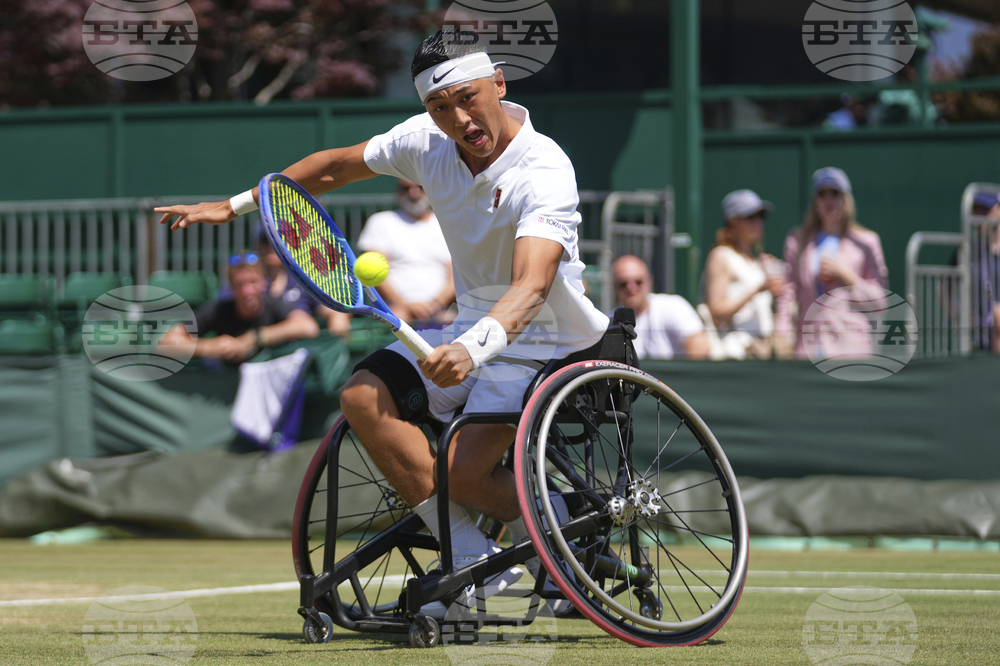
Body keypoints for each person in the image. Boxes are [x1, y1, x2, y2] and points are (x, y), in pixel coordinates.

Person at [154, 30, 609, 613]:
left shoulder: (545, 169)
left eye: (467, 98)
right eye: (439, 107)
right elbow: (330, 168)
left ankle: (564, 523)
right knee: (362, 398)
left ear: (499, 84)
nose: (458, 119)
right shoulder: (424, 142)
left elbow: (532, 285)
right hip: (469, 325)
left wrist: (472, 350)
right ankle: (468, 554)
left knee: (463, 475)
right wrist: (236, 204)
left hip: (547, 342)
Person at [775, 167, 889, 359]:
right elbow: (788, 292)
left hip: (850, 349)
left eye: (834, 193)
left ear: (845, 199)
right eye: (822, 194)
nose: (828, 200)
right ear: (815, 201)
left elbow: (880, 301)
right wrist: (782, 334)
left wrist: (847, 276)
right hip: (808, 348)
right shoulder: (798, 240)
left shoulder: (866, 242)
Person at [161, 252, 320, 365]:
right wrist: (209, 347)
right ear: (230, 287)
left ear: (264, 282)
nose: (247, 291)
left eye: (253, 282)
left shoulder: (274, 305)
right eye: (239, 284)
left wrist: (254, 339)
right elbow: (166, 343)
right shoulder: (219, 310)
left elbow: (307, 326)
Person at [356, 178, 455, 325]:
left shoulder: (448, 225)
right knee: (398, 317)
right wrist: (404, 305)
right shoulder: (380, 221)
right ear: (398, 192)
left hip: (440, 310)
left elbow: (454, 278)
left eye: (420, 187)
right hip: (394, 308)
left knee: (452, 320)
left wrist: (434, 305)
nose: (413, 193)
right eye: (405, 188)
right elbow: (376, 276)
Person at [700, 190, 783, 360]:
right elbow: (717, 314)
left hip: (762, 350)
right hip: (735, 352)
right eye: (750, 217)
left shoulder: (758, 262)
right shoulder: (721, 255)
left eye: (760, 216)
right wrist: (757, 290)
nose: (757, 222)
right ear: (734, 221)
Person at [612, 254, 710, 360]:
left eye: (638, 282)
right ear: (614, 287)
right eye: (623, 284)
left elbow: (700, 348)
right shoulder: (608, 323)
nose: (631, 288)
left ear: (649, 281)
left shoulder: (672, 305)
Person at [256, 233, 352, 339]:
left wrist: (337, 318)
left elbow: (327, 308)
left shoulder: (301, 280)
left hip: (301, 345)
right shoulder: (252, 284)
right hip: (265, 345)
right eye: (266, 242)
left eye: (275, 242)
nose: (270, 247)